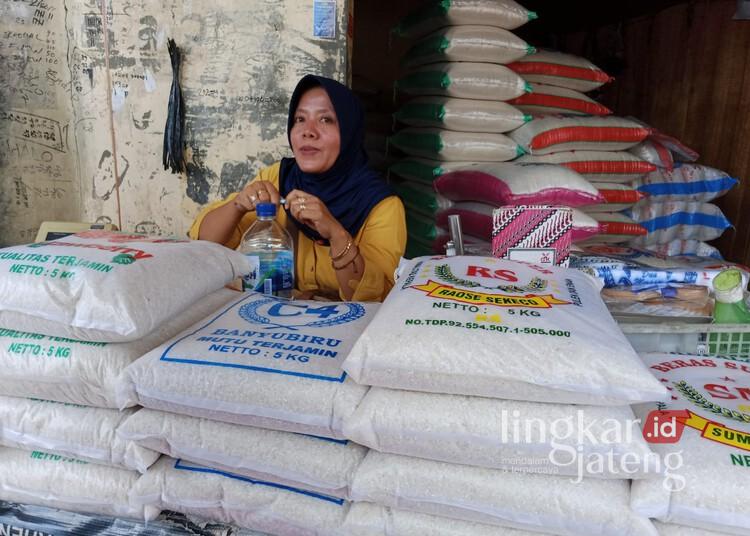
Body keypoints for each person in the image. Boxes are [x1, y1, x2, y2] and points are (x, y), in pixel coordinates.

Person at [189, 74, 406, 302]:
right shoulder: (277, 179)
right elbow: (205, 245)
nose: (308, 131)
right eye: (300, 119)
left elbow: (376, 296)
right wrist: (237, 206)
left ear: (350, 131)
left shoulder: (380, 204)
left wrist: (335, 232)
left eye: (326, 120)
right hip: (278, 321)